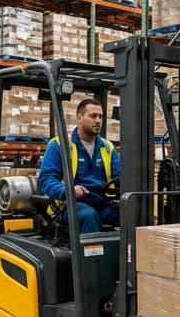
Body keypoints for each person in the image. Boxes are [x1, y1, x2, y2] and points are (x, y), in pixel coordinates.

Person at [37, 98, 122, 234]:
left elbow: (120, 176)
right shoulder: (60, 145)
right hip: (68, 204)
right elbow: (46, 179)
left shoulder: (107, 147)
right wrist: (67, 190)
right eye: (93, 116)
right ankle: (93, 255)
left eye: (100, 116)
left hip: (100, 202)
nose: (98, 121)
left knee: (129, 213)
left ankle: (129, 254)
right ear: (79, 118)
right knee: (88, 215)